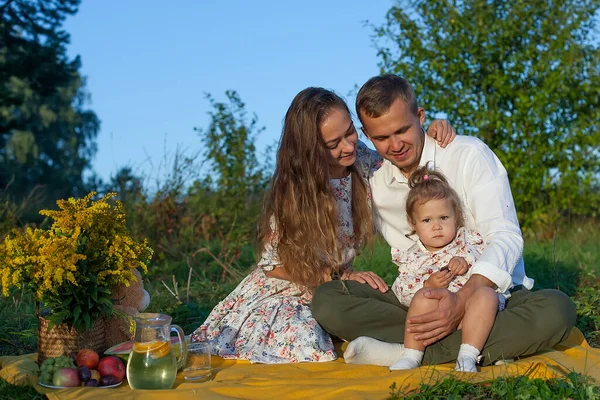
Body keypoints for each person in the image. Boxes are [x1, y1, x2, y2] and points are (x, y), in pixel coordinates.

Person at [311, 74, 577, 367]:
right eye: (382, 138)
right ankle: (477, 346)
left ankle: (407, 352)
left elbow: (505, 236)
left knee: (558, 309)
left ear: (420, 116)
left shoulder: (468, 155)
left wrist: (461, 301)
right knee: (328, 300)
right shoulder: (374, 177)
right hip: (413, 304)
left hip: (490, 299)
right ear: (366, 134)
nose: (395, 145)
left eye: (402, 130)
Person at [189, 86, 454, 363]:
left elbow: (403, 158)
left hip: (337, 287)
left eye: (350, 131)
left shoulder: (360, 160)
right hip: (289, 289)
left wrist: (428, 133)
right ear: (311, 149)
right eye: (332, 144)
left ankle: (421, 342)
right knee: (307, 343)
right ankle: (424, 346)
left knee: (381, 305)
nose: (348, 146)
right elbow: (276, 265)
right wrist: (338, 276)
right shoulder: (295, 190)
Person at [390, 165, 505, 372]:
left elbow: (490, 260)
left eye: (443, 218)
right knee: (425, 296)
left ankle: (467, 356)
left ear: (456, 217)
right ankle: (412, 355)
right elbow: (401, 291)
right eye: (427, 220)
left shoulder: (467, 241)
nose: (437, 226)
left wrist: (467, 261)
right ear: (413, 223)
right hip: (436, 321)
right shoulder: (413, 257)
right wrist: (427, 284)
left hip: (473, 313)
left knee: (486, 295)